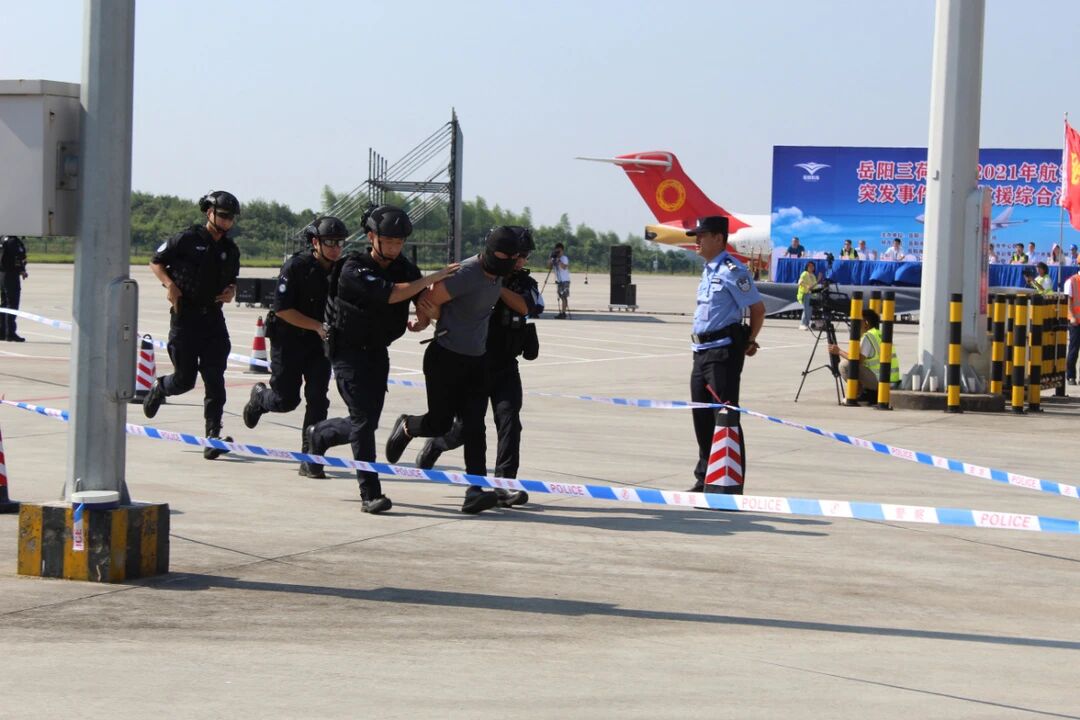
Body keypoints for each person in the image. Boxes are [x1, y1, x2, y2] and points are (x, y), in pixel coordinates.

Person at [304, 206, 458, 513]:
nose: (395, 247)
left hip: (377, 351)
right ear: (371, 237)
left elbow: (422, 300)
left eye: (400, 242)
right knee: (363, 421)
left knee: (365, 422)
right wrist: (432, 277)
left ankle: (319, 434)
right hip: (347, 352)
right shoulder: (353, 268)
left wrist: (423, 319)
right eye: (389, 241)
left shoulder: (405, 268)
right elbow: (391, 294)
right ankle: (370, 493)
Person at [384, 225, 525, 514]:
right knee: (439, 424)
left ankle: (475, 491)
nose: (507, 264)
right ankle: (408, 426)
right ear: (490, 252)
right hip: (445, 358)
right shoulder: (466, 273)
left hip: (477, 360)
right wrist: (423, 322)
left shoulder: (500, 275)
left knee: (475, 427)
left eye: (512, 259)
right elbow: (429, 298)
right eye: (502, 257)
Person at [416, 227, 543, 510]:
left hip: (505, 364)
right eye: (517, 255)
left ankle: (503, 484)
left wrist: (496, 287)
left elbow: (528, 307)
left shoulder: (521, 282)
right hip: (477, 359)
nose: (520, 261)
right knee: (466, 428)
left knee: (509, 420)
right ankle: (437, 444)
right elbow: (440, 301)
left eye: (523, 256)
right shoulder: (477, 274)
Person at [143, 191, 241, 460]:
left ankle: (213, 435)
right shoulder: (187, 239)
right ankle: (161, 387)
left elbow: (232, 281)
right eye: (223, 215)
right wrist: (170, 285)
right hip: (185, 318)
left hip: (213, 319)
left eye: (231, 217)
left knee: (215, 379)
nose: (227, 221)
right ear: (209, 213)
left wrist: (231, 292)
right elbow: (155, 261)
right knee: (185, 380)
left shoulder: (231, 250)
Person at [242, 216, 344, 476]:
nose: (335, 248)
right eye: (330, 242)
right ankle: (259, 398)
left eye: (339, 243)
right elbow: (283, 310)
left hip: (319, 344)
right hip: (288, 340)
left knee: (318, 399)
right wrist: (317, 326)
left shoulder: (342, 269)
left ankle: (311, 457)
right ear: (315, 243)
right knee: (285, 400)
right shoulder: (296, 267)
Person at [686, 215, 765, 494]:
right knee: (702, 419)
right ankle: (705, 479)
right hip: (701, 353)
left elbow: (757, 309)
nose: (697, 240)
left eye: (702, 235)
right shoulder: (708, 270)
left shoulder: (733, 270)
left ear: (719, 238)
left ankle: (730, 485)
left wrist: (750, 340)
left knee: (726, 418)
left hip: (722, 354)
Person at [827, 308, 900, 400]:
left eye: (858, 322)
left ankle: (858, 394)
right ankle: (867, 392)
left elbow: (857, 360)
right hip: (891, 380)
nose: (854, 325)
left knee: (844, 365)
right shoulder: (879, 334)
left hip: (880, 382)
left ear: (866, 323)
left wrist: (839, 351)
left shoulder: (868, 337)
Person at [0, 234, 29, 342]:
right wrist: (22, 270)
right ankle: (10, 333)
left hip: (2, 274)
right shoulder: (13, 241)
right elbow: (17, 257)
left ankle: (2, 332)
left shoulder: (2, 238)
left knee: (4, 304)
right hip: (11, 275)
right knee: (12, 304)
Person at [548, 242, 571, 318]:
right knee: (561, 296)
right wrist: (551, 259)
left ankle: (563, 313)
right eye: (556, 251)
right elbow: (549, 267)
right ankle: (562, 312)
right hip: (559, 281)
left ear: (562, 251)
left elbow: (564, 267)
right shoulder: (554, 258)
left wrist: (558, 260)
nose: (558, 253)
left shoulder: (564, 258)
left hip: (565, 280)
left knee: (564, 296)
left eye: (559, 251)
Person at [1066, 269, 1080, 385]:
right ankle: (1071, 376)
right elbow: (1069, 301)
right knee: (1074, 349)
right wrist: (1072, 317)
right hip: (1075, 322)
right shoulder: (1072, 281)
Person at [796, 260, 817, 331]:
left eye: (812, 266)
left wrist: (818, 280)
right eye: (809, 266)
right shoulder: (804, 273)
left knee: (809, 310)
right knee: (806, 309)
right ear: (806, 267)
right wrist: (806, 286)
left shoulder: (813, 275)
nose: (811, 267)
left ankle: (807, 324)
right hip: (804, 294)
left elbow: (813, 286)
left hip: (811, 294)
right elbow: (799, 282)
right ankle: (802, 324)